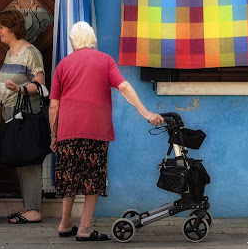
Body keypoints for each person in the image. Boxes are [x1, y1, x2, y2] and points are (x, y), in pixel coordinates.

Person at [48, 21, 164, 241]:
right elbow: (124, 86)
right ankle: (84, 228)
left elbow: (54, 105)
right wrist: (145, 112)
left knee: (69, 177)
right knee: (93, 178)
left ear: (73, 41)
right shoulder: (105, 60)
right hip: (96, 130)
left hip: (67, 131)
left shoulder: (63, 64)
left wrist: (54, 136)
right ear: (92, 40)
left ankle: (65, 224)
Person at [0, 9, 45, 224]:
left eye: (1, 28)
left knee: (28, 159)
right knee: (21, 159)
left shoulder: (30, 52)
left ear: (12, 29)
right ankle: (29, 207)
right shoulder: (11, 53)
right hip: (11, 112)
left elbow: (39, 82)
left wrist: (20, 89)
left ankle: (33, 210)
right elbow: (5, 76)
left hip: (26, 113)